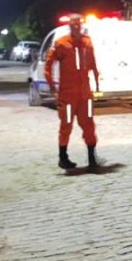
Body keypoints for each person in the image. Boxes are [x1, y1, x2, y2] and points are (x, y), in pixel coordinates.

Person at [44, 14, 101, 170]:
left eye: (78, 24)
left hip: (85, 95)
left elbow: (93, 63)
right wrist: (51, 85)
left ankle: (92, 158)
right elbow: (48, 64)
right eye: (73, 24)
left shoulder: (87, 42)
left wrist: (96, 82)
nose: (76, 27)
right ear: (69, 26)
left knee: (89, 125)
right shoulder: (61, 43)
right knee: (66, 125)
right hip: (67, 95)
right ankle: (63, 157)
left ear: (81, 25)